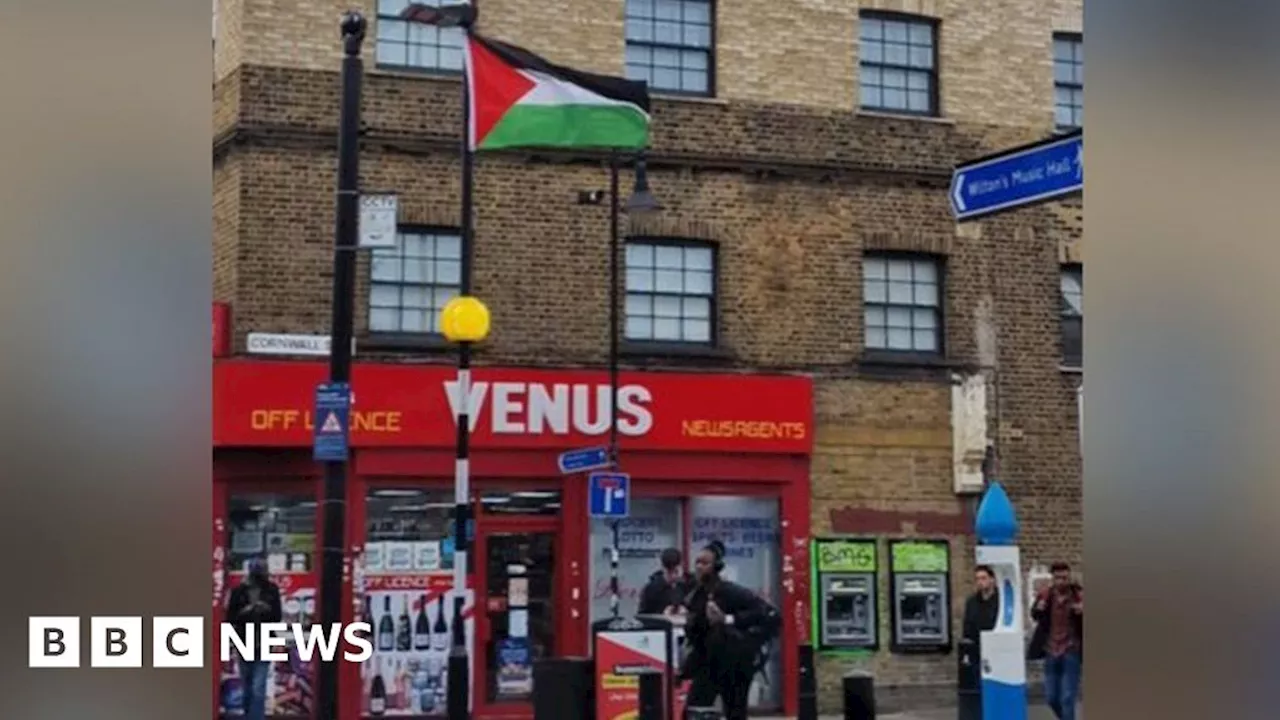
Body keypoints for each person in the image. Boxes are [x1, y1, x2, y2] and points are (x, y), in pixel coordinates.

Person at [681, 540, 780, 720]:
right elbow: (697, 632)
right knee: (694, 710)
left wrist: (727, 619)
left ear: (716, 567)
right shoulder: (696, 594)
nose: (699, 567)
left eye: (705, 563)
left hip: (735, 663)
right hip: (708, 663)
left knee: (735, 712)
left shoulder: (732, 592)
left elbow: (769, 614)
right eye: (697, 562)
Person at [226, 558, 283, 720]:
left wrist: (266, 609)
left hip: (264, 642)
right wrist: (246, 611)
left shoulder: (272, 590)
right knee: (247, 686)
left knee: (258, 687)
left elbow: (277, 616)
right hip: (244, 642)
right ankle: (248, 714)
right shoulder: (238, 591)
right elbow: (230, 617)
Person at [1029, 562, 1083, 720]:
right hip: (1051, 650)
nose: (1062, 581)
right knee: (1051, 697)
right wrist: (1038, 608)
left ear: (1069, 577)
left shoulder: (1079, 595)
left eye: (1065, 577)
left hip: (1071, 651)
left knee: (1067, 698)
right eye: (1058, 578)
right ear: (1053, 578)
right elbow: (1035, 615)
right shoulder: (1045, 595)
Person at [638, 547, 694, 615]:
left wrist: (687, 614)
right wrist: (662, 615)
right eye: (669, 572)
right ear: (663, 568)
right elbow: (643, 615)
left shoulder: (692, 585)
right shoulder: (651, 589)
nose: (673, 576)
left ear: (682, 565)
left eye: (676, 571)